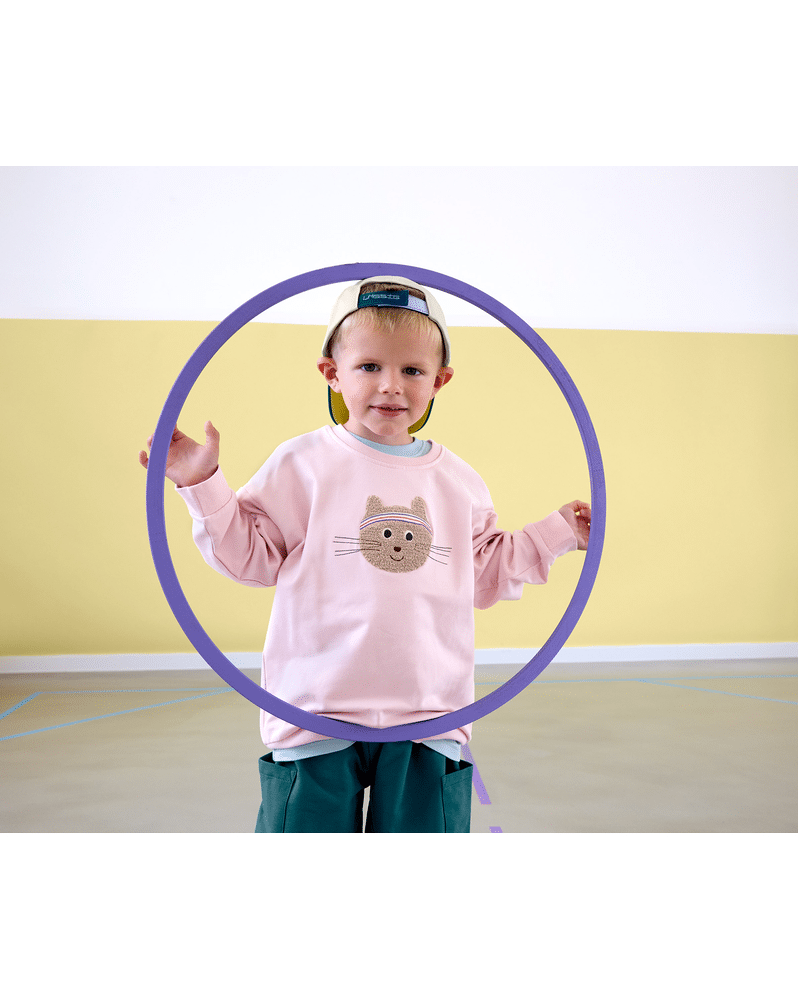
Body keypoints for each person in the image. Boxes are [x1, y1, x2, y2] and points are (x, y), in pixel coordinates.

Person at [140, 276, 591, 832]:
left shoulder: (459, 481)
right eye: (370, 366)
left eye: (412, 371)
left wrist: (558, 532)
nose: (391, 386)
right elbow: (251, 557)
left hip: (428, 715)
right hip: (314, 711)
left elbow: (481, 574)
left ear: (440, 380)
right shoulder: (302, 464)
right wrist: (202, 482)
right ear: (332, 372)